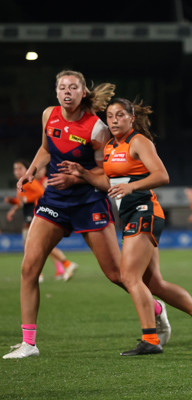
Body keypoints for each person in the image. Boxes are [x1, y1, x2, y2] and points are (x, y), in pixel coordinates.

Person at [2, 70, 170, 360]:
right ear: (56, 92)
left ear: (83, 93)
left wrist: (78, 177)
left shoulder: (96, 128)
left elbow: (108, 169)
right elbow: (45, 148)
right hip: (54, 200)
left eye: (73, 87)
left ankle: (155, 308)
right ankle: (29, 343)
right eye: (62, 87)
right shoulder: (48, 115)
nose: (67, 92)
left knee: (117, 275)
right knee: (29, 268)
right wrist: (32, 170)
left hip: (89, 202)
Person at [59, 97, 192, 355]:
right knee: (155, 283)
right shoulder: (111, 146)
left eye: (120, 115)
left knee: (129, 277)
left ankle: (150, 339)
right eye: (110, 116)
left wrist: (132, 186)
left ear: (131, 118)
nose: (114, 120)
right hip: (131, 214)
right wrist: (82, 173)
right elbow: (108, 183)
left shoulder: (138, 141)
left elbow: (162, 175)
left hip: (144, 211)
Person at [4, 160, 79, 282]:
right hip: (30, 215)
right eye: (15, 169)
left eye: (20, 168)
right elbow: (21, 201)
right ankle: (61, 267)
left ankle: (46, 271)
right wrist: (13, 204)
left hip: (34, 215)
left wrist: (26, 199)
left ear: (26, 169)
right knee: (39, 245)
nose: (17, 171)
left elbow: (40, 192)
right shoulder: (22, 182)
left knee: (34, 245)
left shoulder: (29, 181)